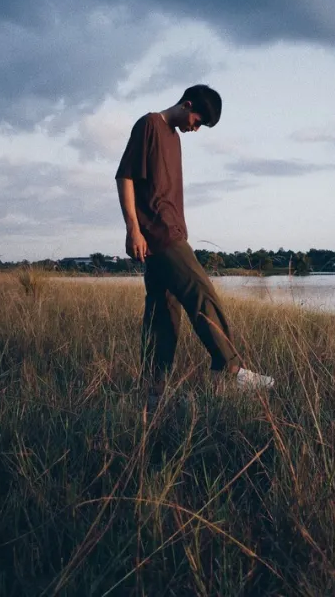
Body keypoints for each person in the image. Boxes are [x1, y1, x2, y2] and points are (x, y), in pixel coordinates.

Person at [115, 84, 274, 406]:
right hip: (159, 233)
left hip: (174, 231)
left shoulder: (173, 138)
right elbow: (125, 177)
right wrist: (133, 228)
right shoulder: (150, 124)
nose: (196, 128)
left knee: (162, 313)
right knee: (202, 294)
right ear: (187, 104)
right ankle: (230, 371)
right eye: (198, 121)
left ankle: (153, 392)